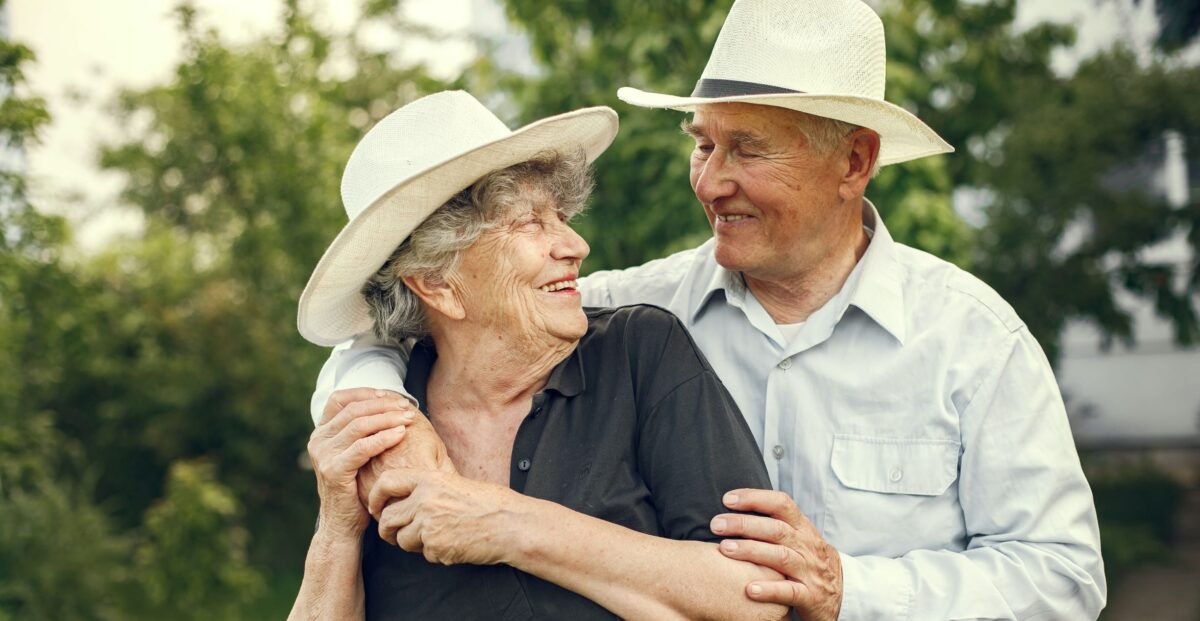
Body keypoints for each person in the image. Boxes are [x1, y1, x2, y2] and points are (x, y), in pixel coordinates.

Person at [313, 1, 1109, 619]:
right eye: (704, 143)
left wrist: (845, 589)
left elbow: (1064, 576)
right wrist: (386, 417)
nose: (710, 180)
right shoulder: (633, 311)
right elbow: (428, 318)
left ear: (854, 160)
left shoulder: (973, 339)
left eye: (749, 149)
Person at [290, 90, 791, 620]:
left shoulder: (638, 353)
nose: (575, 245)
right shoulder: (382, 431)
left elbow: (758, 598)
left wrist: (507, 524)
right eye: (530, 223)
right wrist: (337, 528)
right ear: (436, 281)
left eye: (560, 215)